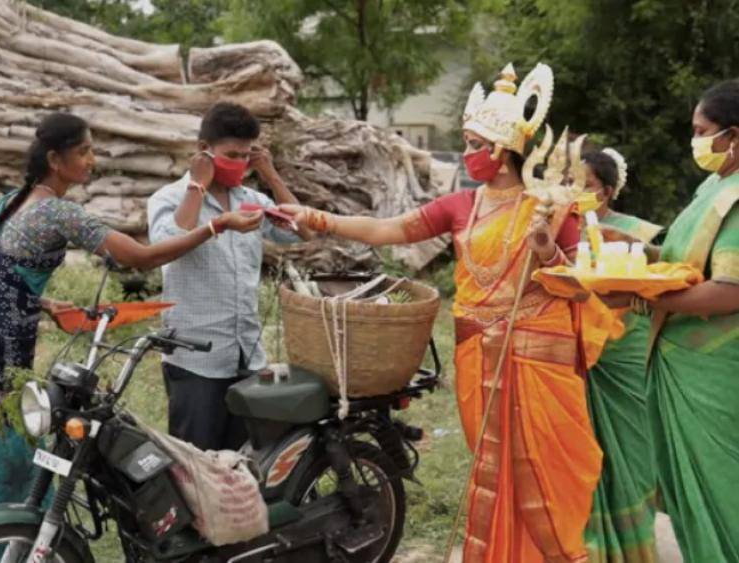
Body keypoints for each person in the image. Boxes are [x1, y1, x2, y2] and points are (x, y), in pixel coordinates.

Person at [281, 64, 618, 563]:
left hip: (535, 359)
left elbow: (582, 287)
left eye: (473, 143)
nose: (466, 153)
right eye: (466, 141)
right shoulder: (461, 204)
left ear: (501, 152)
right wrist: (319, 218)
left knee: (545, 473)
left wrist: (547, 249)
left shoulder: (550, 206)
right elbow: (389, 230)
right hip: (477, 355)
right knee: (493, 468)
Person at [0, 112, 262, 507]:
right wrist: (215, 227)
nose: (92, 160)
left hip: (8, 336)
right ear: (55, 160)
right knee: (11, 455)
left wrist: (46, 303)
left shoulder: (11, 202)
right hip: (4, 350)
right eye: (84, 151)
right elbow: (142, 259)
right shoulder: (57, 212)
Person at [147, 102, 310, 452]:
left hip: (245, 351)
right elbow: (166, 244)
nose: (238, 164)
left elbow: (303, 231)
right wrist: (198, 188)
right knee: (196, 457)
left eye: (246, 155)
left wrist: (270, 175)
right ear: (203, 151)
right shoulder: (170, 197)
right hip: (196, 356)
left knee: (243, 457)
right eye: (230, 155)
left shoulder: (250, 199)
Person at [639, 79, 739, 561]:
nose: (695, 141)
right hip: (681, 357)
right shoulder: (714, 184)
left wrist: (646, 296)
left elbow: (728, 292)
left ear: (734, 136)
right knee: (689, 498)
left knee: (722, 492)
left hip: (714, 368)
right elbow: (686, 260)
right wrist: (637, 256)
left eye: (703, 131)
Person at [581, 148, 662, 562]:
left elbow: (662, 271)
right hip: (575, 348)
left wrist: (632, 247)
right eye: (572, 184)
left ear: (608, 191)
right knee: (580, 449)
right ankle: (589, 547)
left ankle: (634, 547)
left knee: (630, 447)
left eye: (588, 186)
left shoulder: (637, 231)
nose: (578, 192)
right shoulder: (559, 230)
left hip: (624, 348)